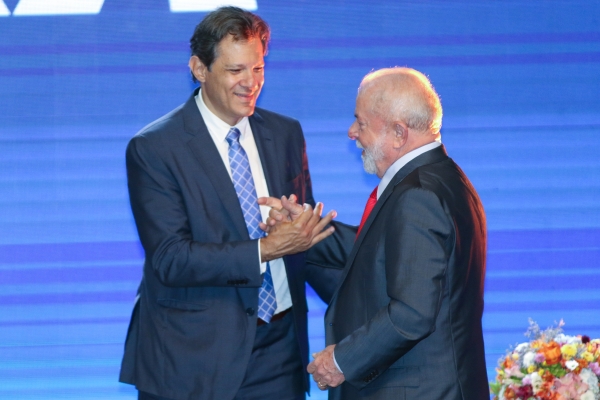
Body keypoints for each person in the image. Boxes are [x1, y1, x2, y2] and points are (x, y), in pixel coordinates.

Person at [118, 7, 336, 400]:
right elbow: (171, 258)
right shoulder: (155, 148)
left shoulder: (285, 133)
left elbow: (305, 239)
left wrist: (296, 225)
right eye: (236, 71)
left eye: (257, 69)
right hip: (194, 358)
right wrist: (267, 248)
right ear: (199, 70)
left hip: (280, 352)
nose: (250, 83)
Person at [263, 67, 489, 399]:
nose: (351, 132)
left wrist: (341, 360)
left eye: (362, 123)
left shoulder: (418, 196)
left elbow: (412, 314)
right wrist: (305, 229)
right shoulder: (441, 177)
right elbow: (378, 253)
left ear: (399, 133)